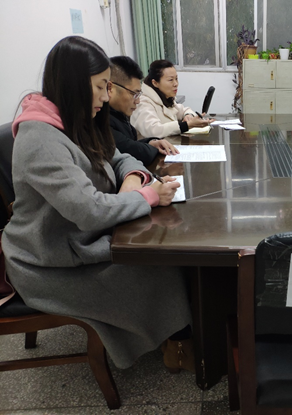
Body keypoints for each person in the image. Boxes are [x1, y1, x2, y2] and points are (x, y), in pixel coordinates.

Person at [2, 36, 194, 373]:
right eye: (100, 86)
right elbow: (90, 212)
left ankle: (177, 333)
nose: (106, 96)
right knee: (159, 263)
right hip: (49, 260)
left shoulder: (77, 119)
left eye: (108, 86)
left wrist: (132, 178)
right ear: (74, 84)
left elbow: (118, 156)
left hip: (80, 239)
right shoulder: (41, 138)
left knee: (162, 250)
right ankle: (178, 343)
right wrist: (148, 195)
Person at [108, 56, 178, 165]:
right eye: (133, 94)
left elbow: (131, 143)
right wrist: (152, 147)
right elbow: (132, 150)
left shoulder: (118, 114)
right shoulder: (102, 119)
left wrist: (151, 142)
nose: (137, 101)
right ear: (110, 88)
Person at [131, 59, 213, 138]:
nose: (176, 84)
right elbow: (153, 131)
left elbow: (183, 110)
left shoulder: (165, 97)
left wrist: (188, 115)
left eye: (176, 79)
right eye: (171, 80)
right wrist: (186, 125)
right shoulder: (143, 102)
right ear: (155, 83)